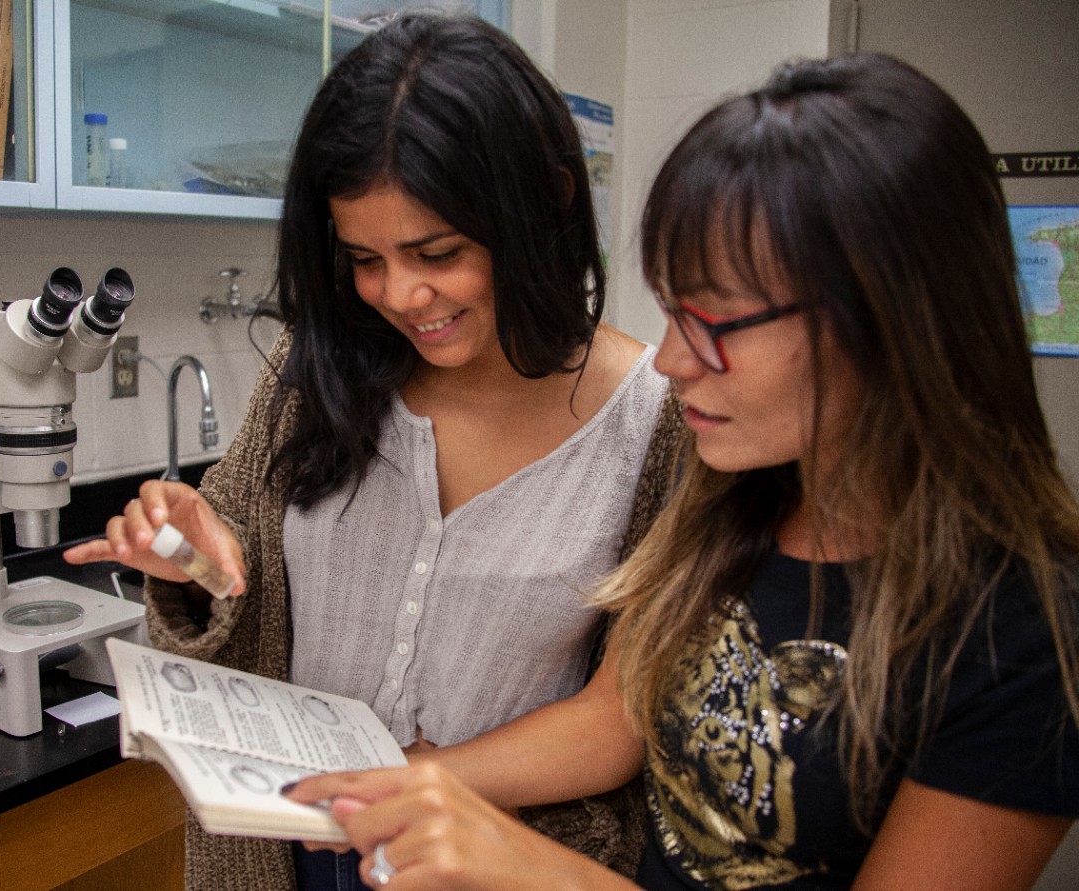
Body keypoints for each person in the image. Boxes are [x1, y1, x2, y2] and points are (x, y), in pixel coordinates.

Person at [285, 51, 1079, 890]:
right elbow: (610, 720)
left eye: (714, 320)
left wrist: (531, 866)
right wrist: (415, 787)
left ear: (888, 315)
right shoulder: (733, 493)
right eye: (669, 311)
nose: (667, 361)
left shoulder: (1026, 629)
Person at [64, 12, 685, 891]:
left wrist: (419, 784)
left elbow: (617, 717)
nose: (401, 294)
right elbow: (231, 595)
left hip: (488, 859)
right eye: (364, 257)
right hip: (287, 857)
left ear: (546, 201)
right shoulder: (309, 375)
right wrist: (189, 555)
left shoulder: (655, 424)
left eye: (438, 252)